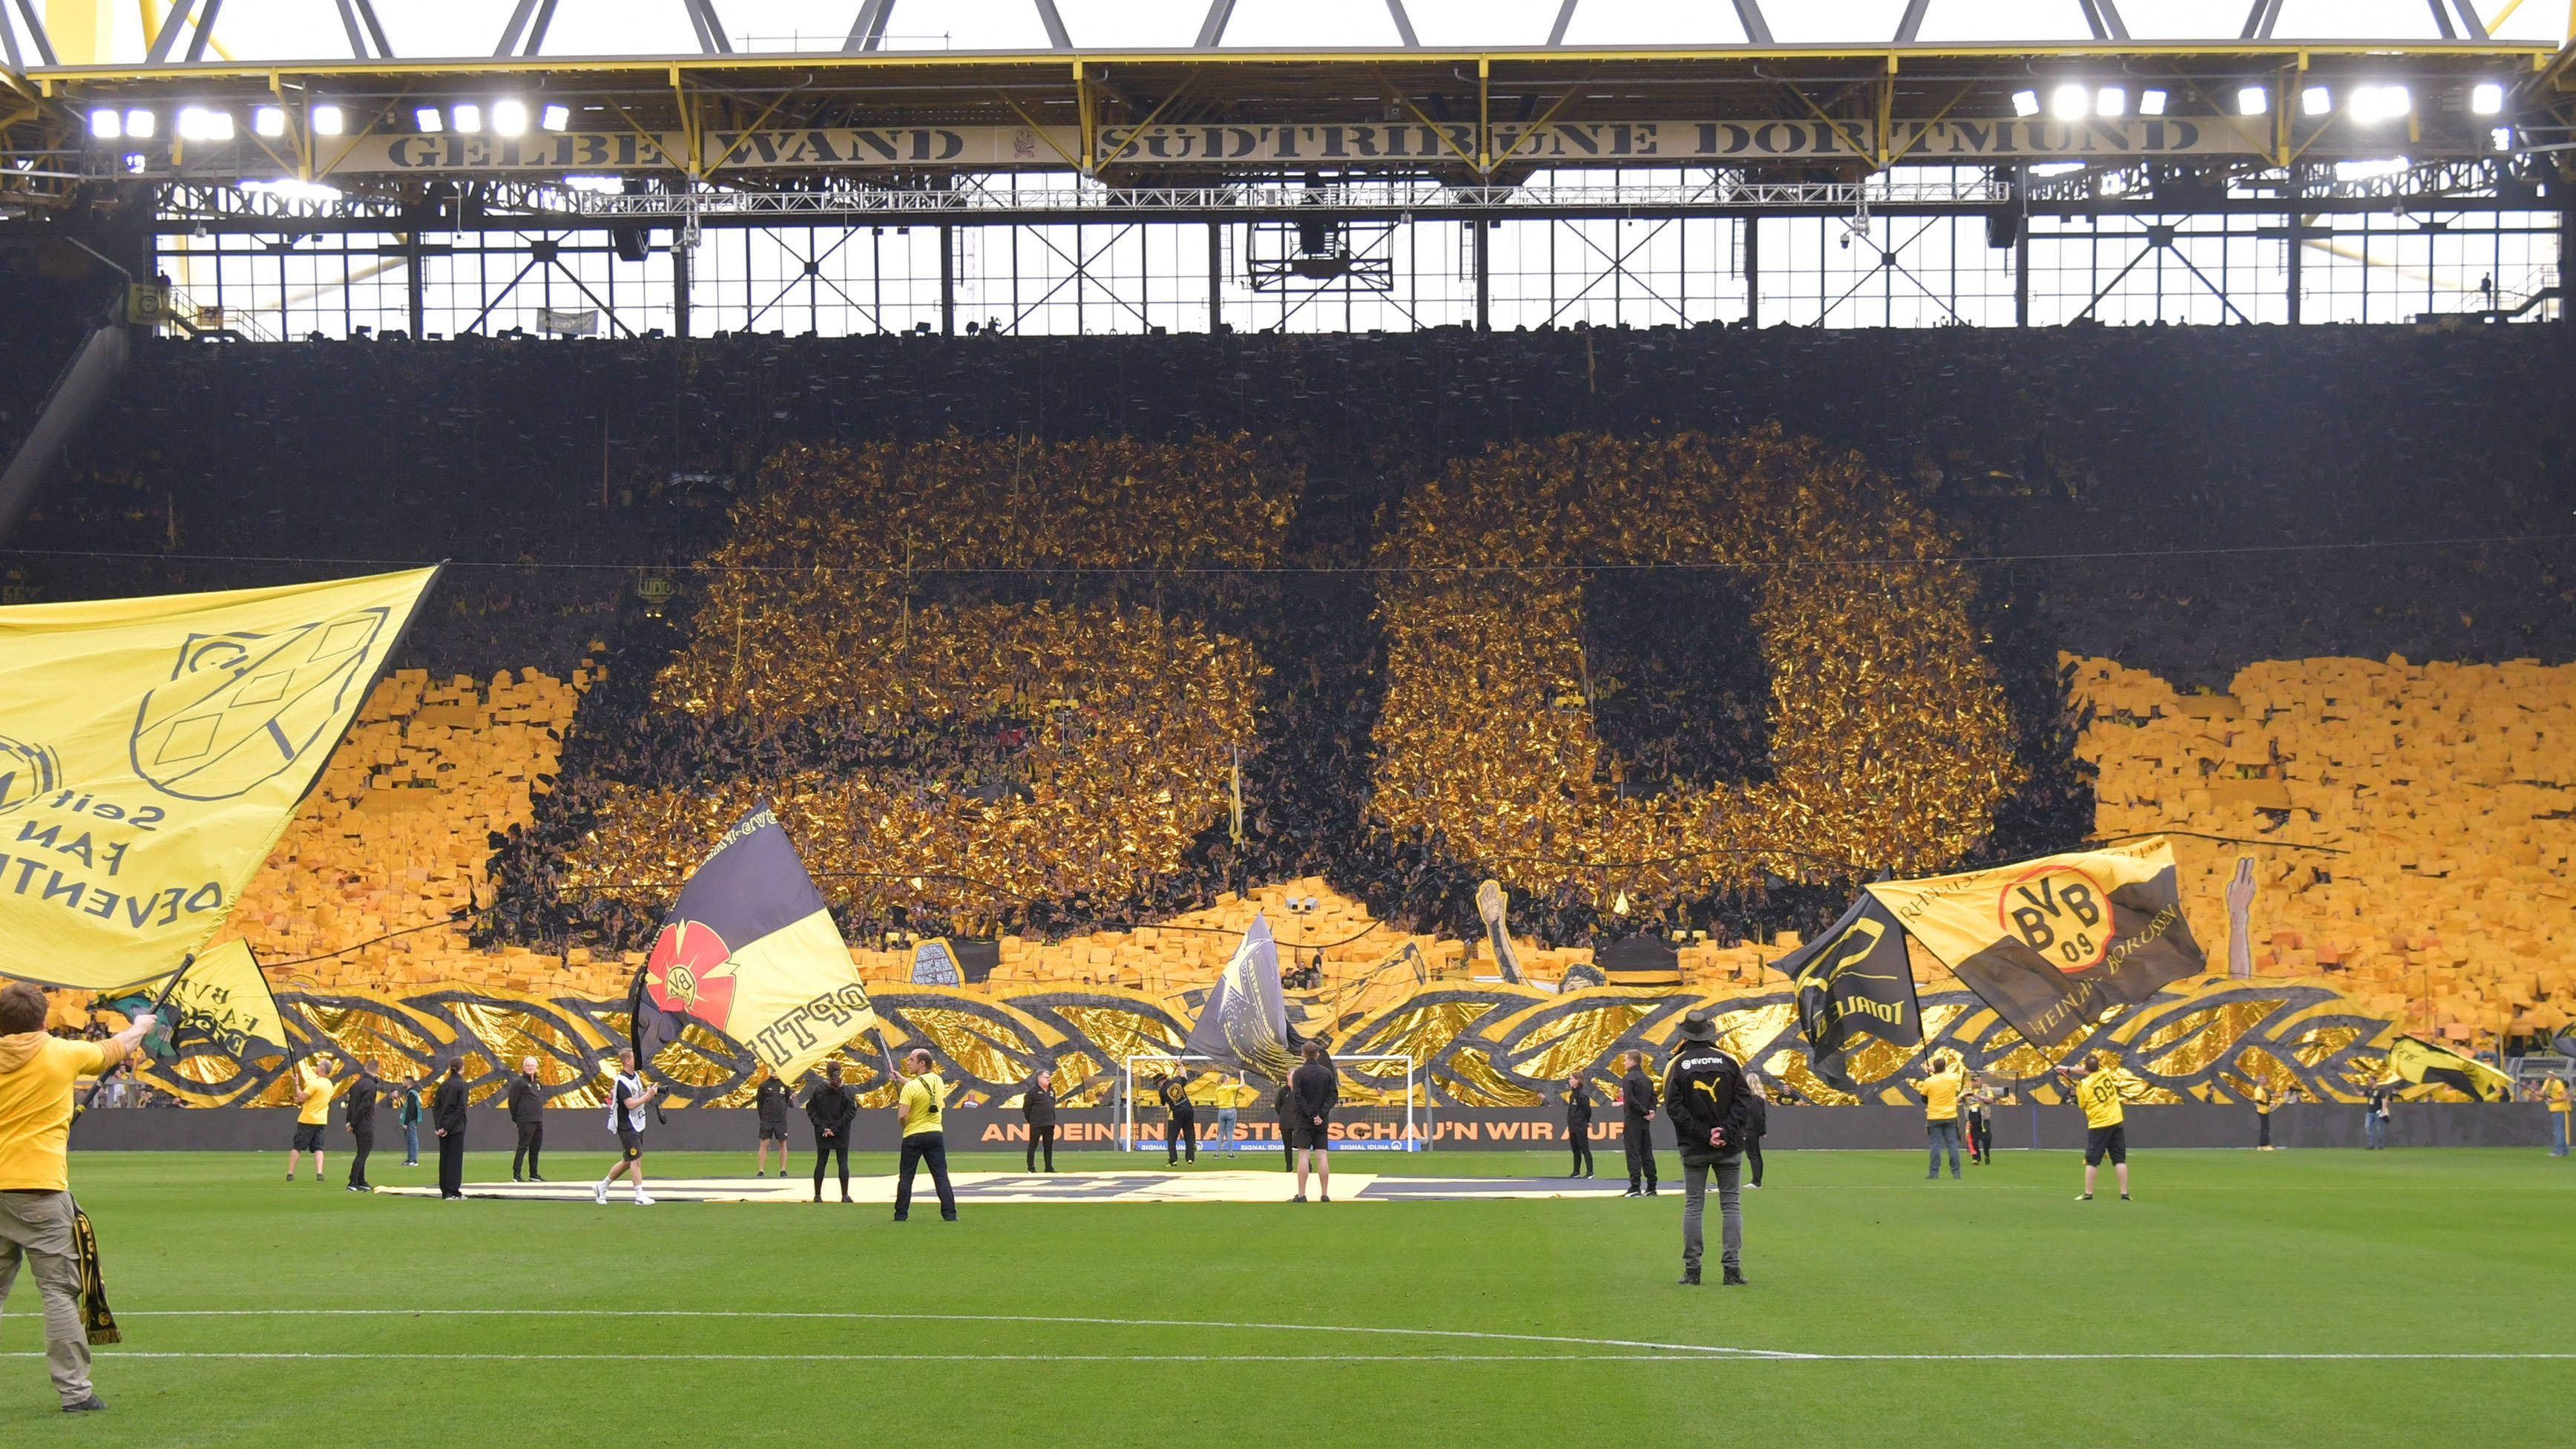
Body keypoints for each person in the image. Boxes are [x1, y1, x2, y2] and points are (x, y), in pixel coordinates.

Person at [0, 980, 155, 1413]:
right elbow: (118, 1047)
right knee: (58, 1293)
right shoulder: (62, 1053)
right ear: (44, 1019)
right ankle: (75, 1393)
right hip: (40, 1189)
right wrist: (141, 1024)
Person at [1662, 1010, 1753, 1287]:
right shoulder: (1729, 1061)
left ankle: (1692, 1271)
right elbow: (1744, 1101)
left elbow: (1674, 1108)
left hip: (1694, 1146)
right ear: (1708, 1033)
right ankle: (1732, 1269)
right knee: (1731, 1205)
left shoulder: (1676, 1064)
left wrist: (1704, 1134)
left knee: (1693, 1206)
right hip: (1729, 1146)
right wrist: (1724, 1131)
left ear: (1684, 1034)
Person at [2058, 1049, 2149, 1202]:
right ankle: (2125, 1193)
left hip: (2099, 1124)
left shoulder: (2084, 1086)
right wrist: (2067, 1069)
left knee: (2092, 1160)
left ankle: (2088, 1193)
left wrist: (2077, 1083)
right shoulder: (2105, 1073)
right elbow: (2088, 1070)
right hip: (2116, 1120)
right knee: (2119, 1159)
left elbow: (2082, 1106)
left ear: (2086, 1068)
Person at [893, 1048, 957, 1222]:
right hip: (935, 1133)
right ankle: (950, 1214)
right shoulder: (938, 1081)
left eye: (912, 1059)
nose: (908, 1062)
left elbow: (902, 1115)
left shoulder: (910, 1088)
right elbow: (923, 1087)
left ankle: (901, 1214)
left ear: (922, 1064)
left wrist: (904, 1125)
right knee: (941, 1175)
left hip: (913, 1135)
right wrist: (902, 1080)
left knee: (906, 1177)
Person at [593, 1048, 659, 1206]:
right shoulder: (621, 1081)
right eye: (634, 1058)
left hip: (637, 1121)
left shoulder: (634, 1076)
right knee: (636, 1159)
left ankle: (602, 1186)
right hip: (626, 1124)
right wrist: (647, 1097)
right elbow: (630, 1104)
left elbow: (638, 1094)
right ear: (627, 1061)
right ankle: (639, 1195)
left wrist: (649, 1092)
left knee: (629, 1160)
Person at [1289, 1039, 1338, 1203]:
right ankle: (1324, 1194)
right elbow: (1333, 1096)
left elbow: (1298, 1096)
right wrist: (1321, 1114)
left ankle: (1302, 1194)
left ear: (1303, 1054)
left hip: (1304, 1119)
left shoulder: (1299, 1074)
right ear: (1317, 1054)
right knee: (1322, 1155)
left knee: (1304, 1155)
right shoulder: (1327, 1073)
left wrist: (1310, 1115)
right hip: (1321, 1121)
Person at [286, 1054, 341, 1183]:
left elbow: (301, 1097)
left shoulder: (314, 1084)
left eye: (318, 1066)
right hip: (321, 1120)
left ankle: (290, 1172)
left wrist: (297, 1084)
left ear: (322, 1069)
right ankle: (319, 1172)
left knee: (297, 1146)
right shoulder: (329, 1084)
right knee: (318, 1147)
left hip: (308, 1119)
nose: (317, 1067)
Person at [1910, 1051, 1965, 1180]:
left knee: (1935, 1145)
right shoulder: (1952, 1078)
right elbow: (1945, 1076)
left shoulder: (1929, 1081)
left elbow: (1924, 1099)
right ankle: (1956, 1173)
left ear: (1934, 1068)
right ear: (1945, 1067)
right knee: (1952, 1145)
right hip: (1951, 1115)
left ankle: (1934, 1173)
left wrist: (1933, 1074)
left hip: (1934, 1116)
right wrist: (1935, 1071)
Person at [806, 1062, 856, 1202]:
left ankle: (817, 1195)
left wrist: (822, 1127)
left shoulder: (818, 1090)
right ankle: (845, 1195)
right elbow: (850, 1112)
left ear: (827, 1073)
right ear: (840, 1071)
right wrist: (836, 1129)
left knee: (821, 1162)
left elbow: (811, 1109)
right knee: (843, 1162)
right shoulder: (847, 1091)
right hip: (841, 1132)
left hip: (822, 1132)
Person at [1617, 1049, 1659, 1197]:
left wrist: (1644, 1112)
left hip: (1633, 1120)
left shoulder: (1629, 1078)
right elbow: (1654, 1098)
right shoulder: (1647, 1079)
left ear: (1632, 1061)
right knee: (1647, 1153)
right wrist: (1651, 1111)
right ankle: (1652, 1186)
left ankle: (1635, 1186)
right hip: (1644, 1122)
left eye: (1626, 1060)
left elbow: (1630, 1100)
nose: (1624, 1062)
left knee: (1633, 1153)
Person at [431, 1057, 470, 1201]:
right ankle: (453, 1190)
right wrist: (447, 1127)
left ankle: (445, 1190)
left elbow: (436, 1107)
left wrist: (439, 1127)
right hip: (456, 1127)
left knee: (445, 1158)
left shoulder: (444, 1085)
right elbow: (461, 1109)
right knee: (455, 1159)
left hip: (443, 1127)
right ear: (462, 1068)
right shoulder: (462, 1085)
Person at [506, 1056, 546, 1182]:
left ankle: (534, 1174)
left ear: (536, 1068)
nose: (530, 1068)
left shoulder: (538, 1084)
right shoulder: (519, 1083)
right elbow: (513, 1102)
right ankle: (516, 1174)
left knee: (535, 1148)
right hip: (525, 1120)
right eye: (528, 1066)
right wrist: (517, 1118)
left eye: (532, 1066)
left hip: (538, 1120)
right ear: (523, 1068)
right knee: (523, 1147)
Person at [344, 1059, 381, 1193]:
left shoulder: (356, 1084)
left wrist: (350, 1121)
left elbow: (350, 1105)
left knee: (362, 1151)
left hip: (357, 1123)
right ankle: (353, 1181)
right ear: (377, 1069)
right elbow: (364, 1106)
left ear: (366, 1067)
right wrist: (353, 1122)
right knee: (363, 1153)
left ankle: (361, 1180)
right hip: (364, 1123)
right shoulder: (371, 1086)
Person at [755, 1067, 792, 1177]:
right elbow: (760, 1103)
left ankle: (783, 1169)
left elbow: (787, 1101)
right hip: (767, 1119)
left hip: (780, 1119)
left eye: (775, 1070)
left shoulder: (785, 1085)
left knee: (782, 1143)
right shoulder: (764, 1085)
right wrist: (763, 1117)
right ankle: (761, 1170)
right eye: (772, 1070)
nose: (773, 1072)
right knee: (765, 1143)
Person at [1021, 1068, 1058, 1172]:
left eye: (1049, 1077)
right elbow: (1026, 1108)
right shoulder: (1032, 1092)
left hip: (1049, 1123)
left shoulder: (1052, 1091)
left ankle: (1049, 1167)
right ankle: (1031, 1168)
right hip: (1037, 1123)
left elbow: (1052, 1106)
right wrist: (1032, 1120)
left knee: (1048, 1146)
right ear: (1039, 1078)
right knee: (1033, 1145)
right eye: (1046, 1077)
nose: (1049, 1079)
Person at [1563, 1072, 1595, 1178]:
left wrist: (1586, 1121)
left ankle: (1590, 1172)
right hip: (1573, 1126)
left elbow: (1587, 1110)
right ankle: (1576, 1171)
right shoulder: (1573, 1095)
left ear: (1577, 1080)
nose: (1569, 1080)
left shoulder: (1582, 1095)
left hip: (1580, 1125)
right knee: (1575, 1149)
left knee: (1584, 1148)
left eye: (1571, 1079)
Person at [1161, 1071, 1197, 1166]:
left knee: (1172, 1138)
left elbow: (1163, 1103)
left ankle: (1173, 1160)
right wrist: (1180, 1065)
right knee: (1189, 1136)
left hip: (1176, 1114)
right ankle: (1190, 1159)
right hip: (1189, 1111)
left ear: (1160, 1082)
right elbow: (1185, 1076)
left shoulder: (1162, 1091)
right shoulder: (1177, 1081)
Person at [1742, 1072, 1770, 1189]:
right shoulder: (1758, 1099)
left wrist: (1762, 1131)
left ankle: (1756, 1181)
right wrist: (1762, 1131)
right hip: (1753, 1130)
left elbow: (1758, 1116)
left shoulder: (1751, 1100)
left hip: (1749, 1130)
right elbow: (1761, 1116)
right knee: (1756, 1154)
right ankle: (1757, 1180)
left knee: (1753, 1155)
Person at [397, 1074, 424, 1167]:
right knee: (409, 1139)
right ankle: (410, 1158)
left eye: (404, 1080)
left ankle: (413, 1159)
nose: (402, 1082)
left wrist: (406, 1122)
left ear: (408, 1082)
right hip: (411, 1120)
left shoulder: (412, 1093)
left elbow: (411, 1109)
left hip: (411, 1120)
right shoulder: (411, 1092)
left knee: (412, 1139)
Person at [1272, 1075, 1297, 1172]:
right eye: (1292, 1077)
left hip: (1298, 1121)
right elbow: (1277, 1105)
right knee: (1287, 1145)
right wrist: (1283, 1115)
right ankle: (1289, 1167)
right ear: (1288, 1078)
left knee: (1303, 1145)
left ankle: (1308, 1166)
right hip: (1286, 1122)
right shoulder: (1283, 1091)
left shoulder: (1300, 1089)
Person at [1215, 1072, 1241, 1156]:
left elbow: (1217, 1100)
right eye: (1228, 1078)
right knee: (1230, 1132)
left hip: (1222, 1111)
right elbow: (1242, 1085)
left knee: (1221, 1133)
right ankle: (1230, 1153)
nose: (1229, 1079)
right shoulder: (1229, 1088)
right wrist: (1242, 1075)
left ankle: (1217, 1153)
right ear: (1225, 1080)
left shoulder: (1217, 1089)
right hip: (1231, 1110)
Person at [2364, 1076, 2393, 1150]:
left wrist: (2383, 1111)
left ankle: (2380, 1145)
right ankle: (2371, 1145)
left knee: (2379, 1128)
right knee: (2367, 1127)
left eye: (2370, 1080)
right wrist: (2354, 1088)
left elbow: (2384, 1101)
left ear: (2374, 1081)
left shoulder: (2381, 1090)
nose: (2369, 1081)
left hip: (2378, 1112)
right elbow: (2361, 1094)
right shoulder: (2369, 1090)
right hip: (2370, 1112)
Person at [2546, 1073, 2570, 1157]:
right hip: (2557, 1109)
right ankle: (2564, 1150)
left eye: (2550, 1075)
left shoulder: (2559, 1086)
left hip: (2559, 1109)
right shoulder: (2553, 1086)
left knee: (2558, 1131)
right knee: (2560, 1131)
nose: (2548, 1077)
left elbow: (2564, 1097)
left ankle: (2558, 1151)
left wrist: (2553, 1100)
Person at [2252, 1078, 2276, 1151]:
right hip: (2261, 1110)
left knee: (2265, 1128)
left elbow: (2267, 1097)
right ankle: (2264, 1145)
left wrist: (2273, 1097)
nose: (2266, 1081)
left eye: (2266, 1080)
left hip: (2265, 1110)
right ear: (2260, 1081)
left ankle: (2261, 1145)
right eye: (2264, 1080)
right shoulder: (2259, 1089)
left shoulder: (2265, 1089)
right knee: (2265, 1128)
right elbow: (2258, 1100)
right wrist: (2268, 1104)